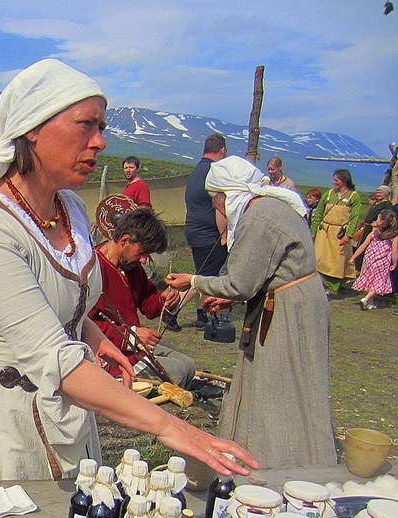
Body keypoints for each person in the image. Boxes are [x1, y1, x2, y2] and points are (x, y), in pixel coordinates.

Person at [0, 59, 257, 485]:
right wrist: (173, 427)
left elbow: (61, 303)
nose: (99, 142)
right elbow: (54, 358)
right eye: (86, 125)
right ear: (33, 128)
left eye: (102, 127)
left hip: (66, 411)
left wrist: (92, 335)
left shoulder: (72, 209)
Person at [165, 157, 335, 469]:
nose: (219, 211)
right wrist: (230, 298)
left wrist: (193, 281)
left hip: (290, 310)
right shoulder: (269, 208)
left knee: (280, 385)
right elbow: (261, 274)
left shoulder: (259, 217)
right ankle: (270, 450)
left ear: (226, 196)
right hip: (288, 300)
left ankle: (283, 460)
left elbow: (240, 283)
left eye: (217, 203)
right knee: (279, 382)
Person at [88, 207, 195, 387]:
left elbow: (148, 304)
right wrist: (132, 336)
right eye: (142, 253)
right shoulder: (92, 269)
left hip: (133, 347)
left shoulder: (131, 267)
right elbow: (85, 324)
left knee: (188, 366)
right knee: (177, 373)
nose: (144, 260)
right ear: (125, 240)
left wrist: (163, 299)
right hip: (109, 352)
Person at [184, 134, 228, 329]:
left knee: (204, 276)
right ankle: (171, 309)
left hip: (193, 229)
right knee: (204, 278)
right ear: (222, 151)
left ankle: (203, 314)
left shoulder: (197, 170)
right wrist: (225, 236)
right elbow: (220, 206)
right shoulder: (215, 172)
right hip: (208, 234)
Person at [310, 168, 364, 295]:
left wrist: (348, 235)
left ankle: (332, 287)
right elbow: (318, 212)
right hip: (324, 231)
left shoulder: (353, 196)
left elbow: (355, 217)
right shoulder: (328, 194)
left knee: (336, 261)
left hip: (339, 233)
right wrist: (313, 231)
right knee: (320, 258)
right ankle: (319, 284)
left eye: (336, 180)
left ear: (344, 181)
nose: (334, 182)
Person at [349, 209, 398, 310]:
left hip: (369, 259)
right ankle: (366, 298)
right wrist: (395, 263)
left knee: (370, 278)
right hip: (382, 261)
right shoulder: (393, 236)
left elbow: (363, 246)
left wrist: (353, 257)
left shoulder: (374, 233)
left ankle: (370, 302)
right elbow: (394, 252)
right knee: (379, 281)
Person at [354, 185, 392, 272]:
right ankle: (357, 267)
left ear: (386, 194)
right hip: (367, 227)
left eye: (380, 192)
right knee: (361, 245)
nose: (378, 194)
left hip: (374, 229)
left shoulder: (387, 205)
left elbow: (387, 218)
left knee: (366, 247)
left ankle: (362, 269)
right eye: (377, 192)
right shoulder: (376, 203)